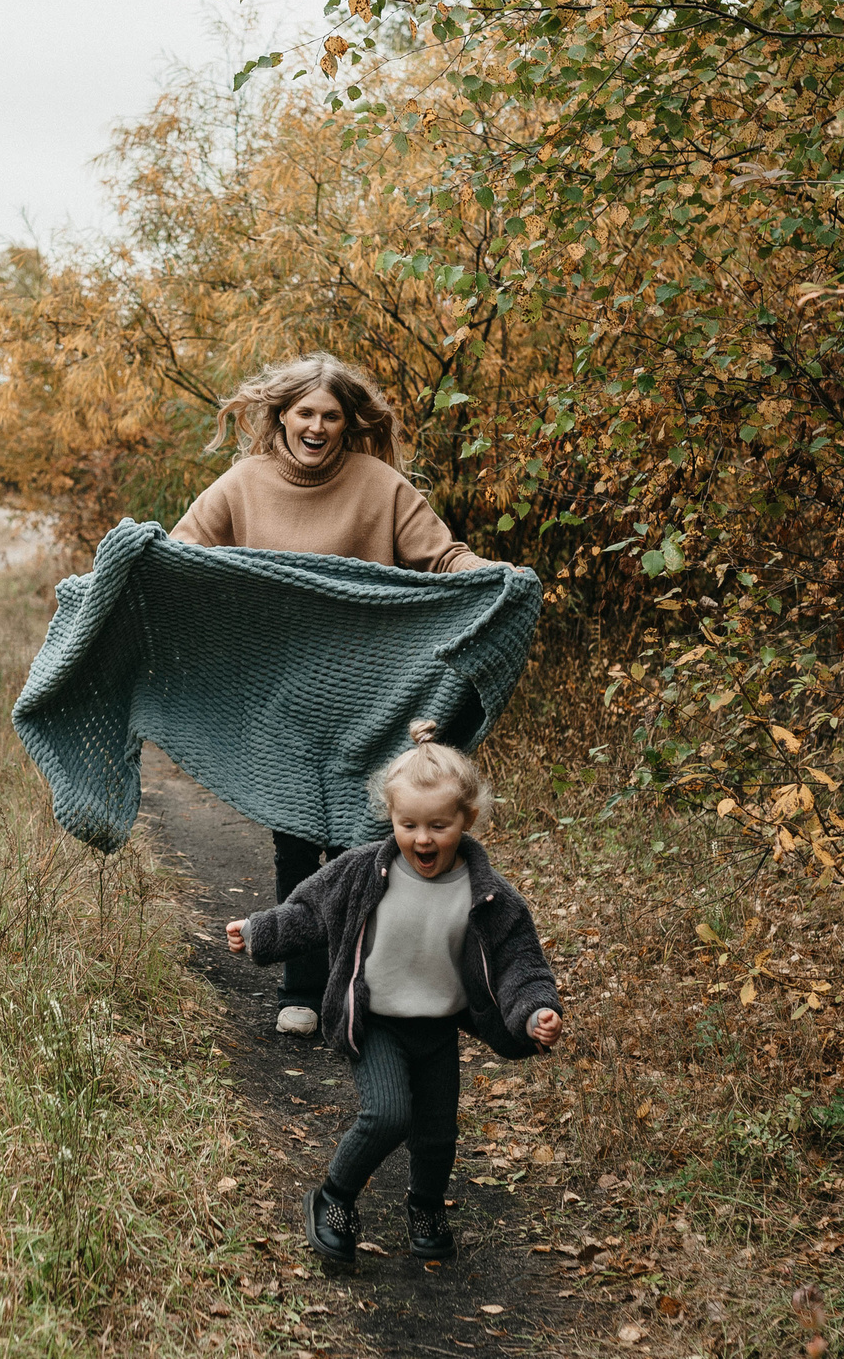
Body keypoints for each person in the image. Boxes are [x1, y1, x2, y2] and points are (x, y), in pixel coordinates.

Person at [169, 352, 490, 1035]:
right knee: (294, 839)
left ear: (348, 423)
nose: (317, 426)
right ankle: (299, 985)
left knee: (360, 841)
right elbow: (182, 551)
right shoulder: (243, 484)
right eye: (305, 413)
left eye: (331, 416)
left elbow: (442, 555)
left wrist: (495, 576)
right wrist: (137, 556)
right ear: (281, 415)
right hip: (281, 696)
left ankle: (355, 981)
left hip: (370, 697)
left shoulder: (380, 485)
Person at [224, 723, 561, 1264]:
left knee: (437, 1132)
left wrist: (534, 1011)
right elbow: (311, 912)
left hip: (437, 1029)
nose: (422, 839)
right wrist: (261, 931)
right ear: (391, 818)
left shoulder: (491, 897)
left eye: (438, 825)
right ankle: (334, 1198)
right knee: (387, 1115)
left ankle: (426, 1204)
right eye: (408, 824)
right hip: (374, 1020)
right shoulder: (364, 871)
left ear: (467, 820)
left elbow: (519, 963)